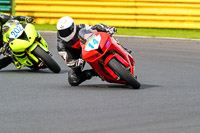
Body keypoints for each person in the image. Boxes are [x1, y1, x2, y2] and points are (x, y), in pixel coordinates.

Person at [56, 16, 132, 86]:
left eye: (66, 31)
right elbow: (67, 60)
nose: (65, 33)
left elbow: (95, 27)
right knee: (73, 80)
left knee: (107, 33)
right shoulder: (60, 45)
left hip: (89, 46)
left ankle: (121, 47)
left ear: (72, 27)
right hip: (78, 57)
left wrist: (107, 28)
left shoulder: (80, 27)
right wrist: (74, 63)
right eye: (62, 32)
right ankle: (95, 72)